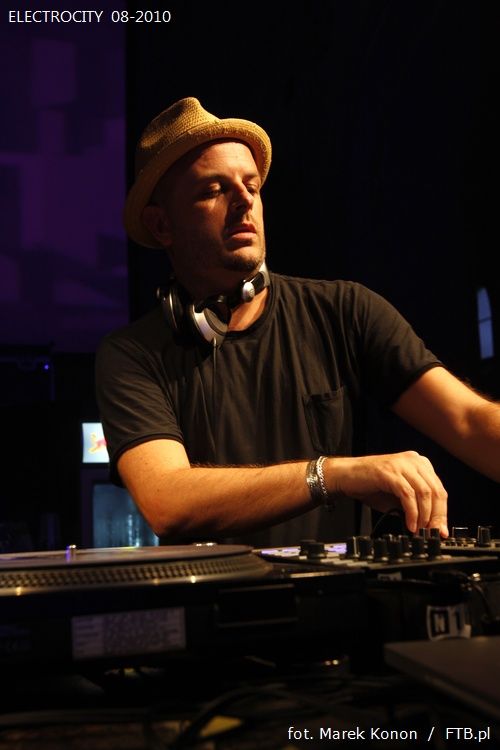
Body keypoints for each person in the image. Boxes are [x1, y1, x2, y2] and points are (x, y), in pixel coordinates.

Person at [95, 96, 500, 548]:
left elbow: (468, 419)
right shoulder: (131, 356)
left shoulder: (346, 311)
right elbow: (168, 501)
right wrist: (331, 474)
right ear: (161, 225)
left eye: (251, 185)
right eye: (213, 190)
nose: (244, 200)